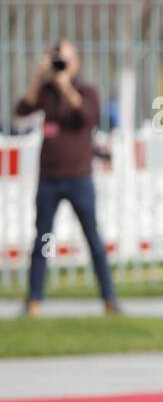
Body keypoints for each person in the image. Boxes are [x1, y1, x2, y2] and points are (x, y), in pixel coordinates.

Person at [15, 40, 120, 316]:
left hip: (79, 178)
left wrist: (65, 85)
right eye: (56, 60)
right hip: (49, 178)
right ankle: (34, 300)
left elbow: (87, 116)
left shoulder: (85, 91)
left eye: (65, 60)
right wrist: (39, 79)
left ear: (76, 63)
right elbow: (21, 110)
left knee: (93, 238)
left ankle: (109, 299)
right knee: (42, 240)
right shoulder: (45, 92)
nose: (60, 65)